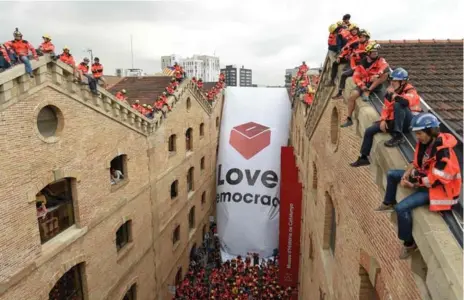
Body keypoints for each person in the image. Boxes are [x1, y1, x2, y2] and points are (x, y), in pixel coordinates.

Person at [375, 113, 461, 259]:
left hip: (439, 190)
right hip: (426, 178)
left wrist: (413, 184)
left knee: (401, 208)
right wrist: (407, 174)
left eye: (419, 133)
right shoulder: (424, 143)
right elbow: (415, 162)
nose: (417, 137)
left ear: (430, 131)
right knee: (391, 174)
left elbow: (436, 180)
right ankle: (387, 202)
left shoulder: (443, 153)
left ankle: (409, 244)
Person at [350, 67, 421, 167]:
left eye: (396, 81)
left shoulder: (410, 91)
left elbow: (405, 102)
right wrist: (383, 120)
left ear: (403, 82)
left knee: (398, 104)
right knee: (370, 130)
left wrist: (394, 95)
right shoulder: (391, 92)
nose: (392, 83)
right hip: (396, 120)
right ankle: (363, 157)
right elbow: (386, 108)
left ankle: (398, 135)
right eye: (392, 80)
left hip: (409, 123)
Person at [340, 42, 390, 127]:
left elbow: (385, 66)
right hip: (365, 83)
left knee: (384, 75)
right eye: (373, 52)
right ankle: (349, 118)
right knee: (352, 96)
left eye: (376, 52)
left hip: (375, 83)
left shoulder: (380, 60)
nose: (375, 53)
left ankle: (368, 92)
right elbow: (356, 77)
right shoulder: (361, 64)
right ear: (368, 53)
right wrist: (362, 85)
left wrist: (379, 73)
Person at [332, 29, 370, 99]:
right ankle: (340, 93)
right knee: (344, 74)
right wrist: (340, 56)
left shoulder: (370, 45)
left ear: (366, 37)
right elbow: (347, 50)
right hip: (356, 67)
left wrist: (359, 52)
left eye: (363, 37)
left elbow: (367, 52)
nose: (361, 38)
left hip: (367, 68)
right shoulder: (355, 44)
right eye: (360, 37)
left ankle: (365, 92)